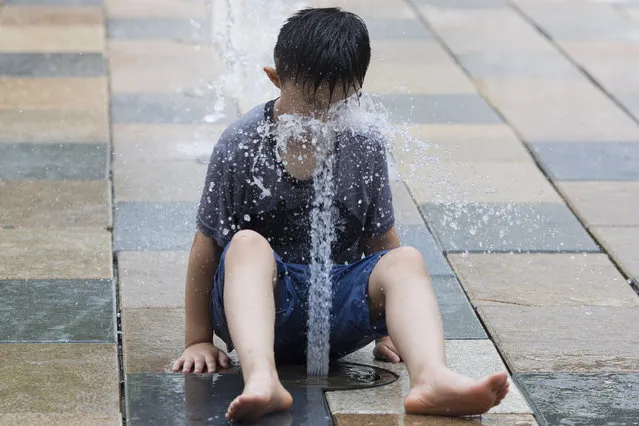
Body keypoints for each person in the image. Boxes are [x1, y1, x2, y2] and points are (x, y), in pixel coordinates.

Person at [172, 7, 510, 422]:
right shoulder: (243, 143)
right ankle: (263, 378)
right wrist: (197, 340)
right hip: (261, 309)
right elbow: (206, 245)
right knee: (244, 244)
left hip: (336, 313)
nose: (326, 117)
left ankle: (431, 378)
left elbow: (380, 242)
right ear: (276, 79)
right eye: (314, 104)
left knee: (407, 260)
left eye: (342, 103)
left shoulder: (363, 141)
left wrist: (389, 330)